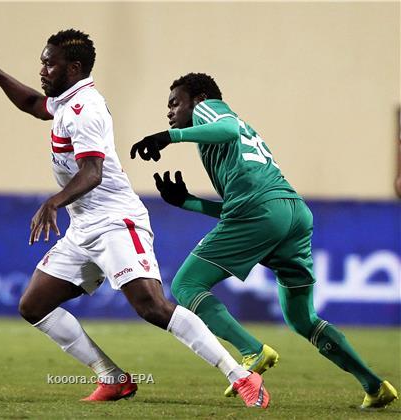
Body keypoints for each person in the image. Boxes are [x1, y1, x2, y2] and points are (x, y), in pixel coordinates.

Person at [0, 30, 270, 408]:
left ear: (74, 68)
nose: (42, 70)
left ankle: (241, 375)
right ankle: (112, 378)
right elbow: (32, 103)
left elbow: (92, 172)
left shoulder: (87, 109)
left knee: (152, 306)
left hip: (116, 221)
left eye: (49, 64)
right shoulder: (65, 101)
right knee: (34, 305)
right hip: (83, 226)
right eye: (42, 63)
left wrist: (54, 202)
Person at [130, 72, 399, 409]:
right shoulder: (224, 144)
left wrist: (171, 136)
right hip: (291, 213)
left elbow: (228, 130)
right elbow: (240, 206)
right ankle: (374, 386)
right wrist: (188, 202)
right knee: (302, 318)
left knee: (186, 284)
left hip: (262, 212)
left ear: (198, 99)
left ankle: (252, 351)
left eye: (175, 103)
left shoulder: (210, 109)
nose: (169, 111)